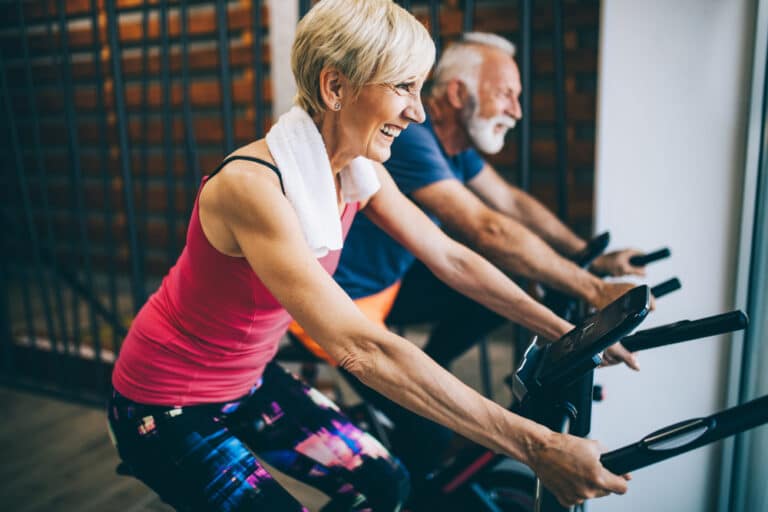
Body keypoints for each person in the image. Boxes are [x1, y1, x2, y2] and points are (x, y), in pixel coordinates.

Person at [107, 2, 630, 510]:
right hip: (164, 403)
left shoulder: (357, 172)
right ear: (336, 87)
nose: (419, 111)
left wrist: (568, 334)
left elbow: (450, 258)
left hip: (247, 379)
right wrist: (538, 447)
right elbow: (363, 347)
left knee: (386, 485)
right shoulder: (253, 188)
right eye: (403, 86)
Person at [289, 32, 646, 479]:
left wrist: (583, 272)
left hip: (386, 285)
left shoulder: (448, 150)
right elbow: (486, 227)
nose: (517, 111)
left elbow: (505, 207)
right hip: (338, 304)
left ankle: (428, 378)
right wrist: (594, 289)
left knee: (503, 287)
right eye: (506, 95)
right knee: (432, 430)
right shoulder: (408, 141)